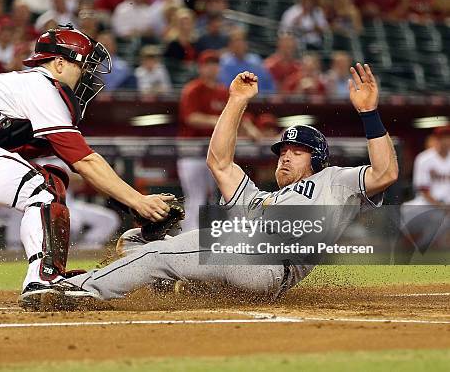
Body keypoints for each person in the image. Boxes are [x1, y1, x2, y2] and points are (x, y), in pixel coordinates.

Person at [41, 63, 398, 306]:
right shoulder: (259, 199)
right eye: (283, 151)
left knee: (158, 253)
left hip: (264, 262)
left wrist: (369, 114)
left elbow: (385, 174)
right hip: (252, 270)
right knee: (149, 246)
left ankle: (78, 289)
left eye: (299, 152)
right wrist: (236, 102)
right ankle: (168, 274)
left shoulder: (334, 181)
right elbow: (220, 162)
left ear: (317, 159)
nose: (286, 156)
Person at [0, 26, 173, 307]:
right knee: (43, 188)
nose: (87, 76)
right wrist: (139, 201)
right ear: (59, 63)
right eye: (82, 66)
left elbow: (73, 165)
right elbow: (85, 161)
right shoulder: (43, 86)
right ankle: (43, 277)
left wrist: (128, 205)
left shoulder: (21, 87)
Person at [177, 50, 227, 232]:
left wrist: (250, 129)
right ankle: (187, 239)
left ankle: (212, 237)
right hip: (191, 152)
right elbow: (191, 117)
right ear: (201, 67)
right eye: (208, 64)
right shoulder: (193, 89)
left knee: (216, 198)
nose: (212, 68)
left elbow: (234, 116)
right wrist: (217, 121)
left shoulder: (222, 91)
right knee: (196, 197)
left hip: (215, 154)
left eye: (215, 64)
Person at [401, 126, 450, 248]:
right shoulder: (424, 158)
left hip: (447, 205)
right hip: (428, 204)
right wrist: (441, 207)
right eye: (444, 138)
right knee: (405, 212)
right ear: (437, 139)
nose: (447, 141)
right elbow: (424, 190)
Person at [218, 29, 275, 94]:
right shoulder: (224, 62)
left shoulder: (255, 61)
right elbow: (223, 85)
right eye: (236, 41)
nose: (239, 45)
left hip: (257, 100)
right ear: (230, 45)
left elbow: (268, 83)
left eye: (241, 41)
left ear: (246, 44)